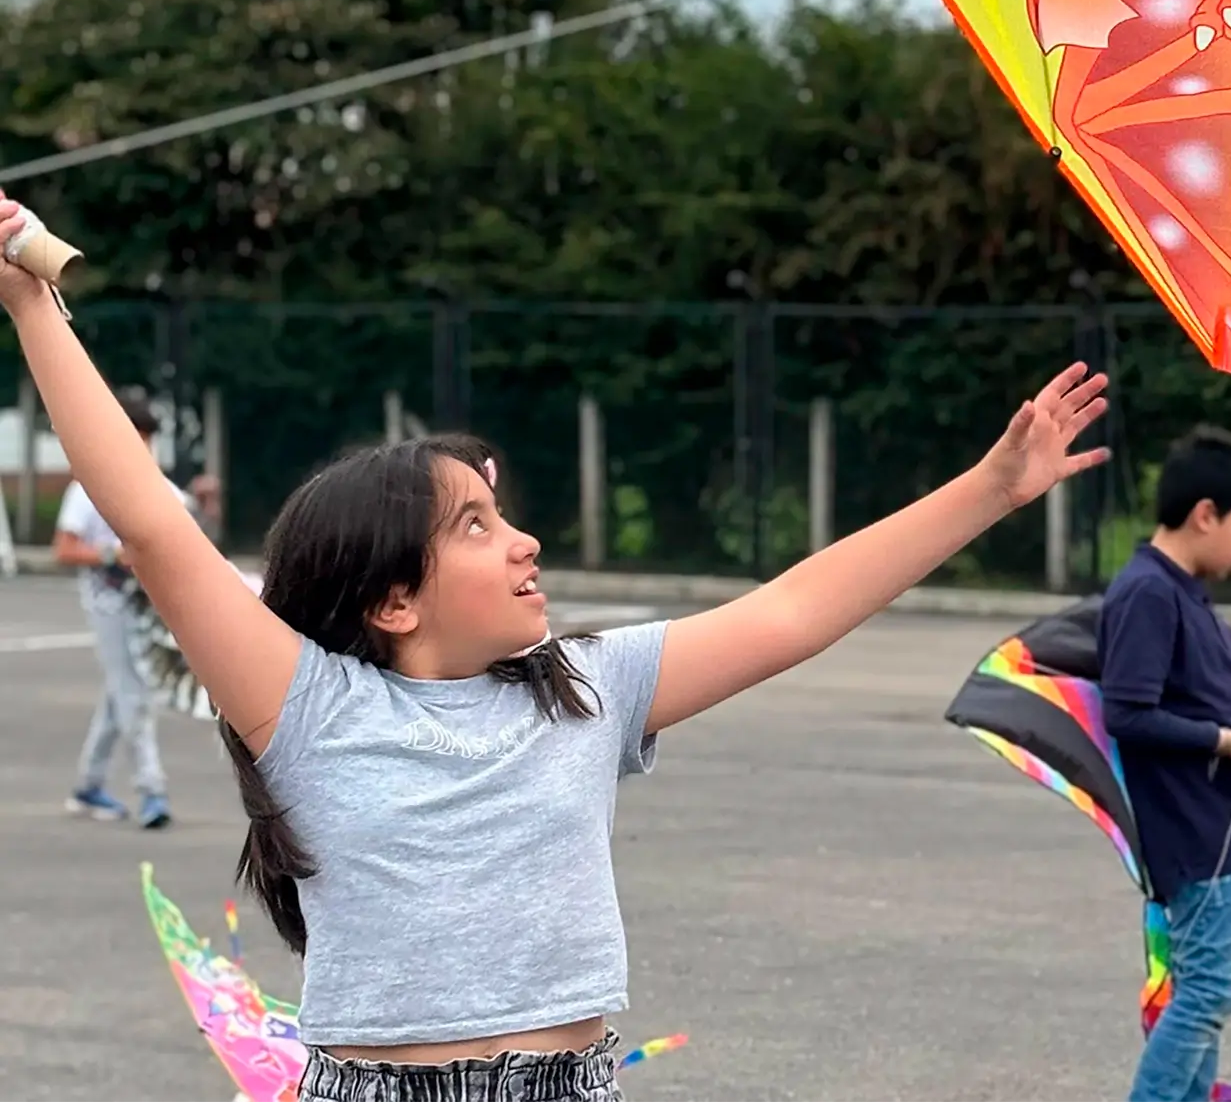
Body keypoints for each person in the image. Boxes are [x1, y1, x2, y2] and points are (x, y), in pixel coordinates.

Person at [0, 188, 1110, 1101]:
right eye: (476, 527)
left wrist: (990, 489)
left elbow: (792, 612)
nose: (526, 543)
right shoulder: (311, 708)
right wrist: (33, 306)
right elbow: (147, 520)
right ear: (393, 598)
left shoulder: (585, 690)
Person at [1100, 426, 1231, 1102]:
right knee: (1204, 995)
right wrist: (1229, 742)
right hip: (1192, 834)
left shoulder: (1180, 588)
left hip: (1223, 831)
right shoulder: (1147, 591)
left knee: (1208, 998)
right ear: (1206, 514)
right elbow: (1129, 713)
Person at [57, 388, 218, 829]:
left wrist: (205, 508)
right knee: (133, 693)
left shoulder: (160, 488)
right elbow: (65, 549)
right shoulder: (85, 490)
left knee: (120, 694)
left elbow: (188, 539)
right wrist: (114, 555)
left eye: (146, 438)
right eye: (134, 436)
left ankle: (88, 785)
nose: (141, 446)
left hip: (150, 605)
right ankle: (152, 790)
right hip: (107, 604)